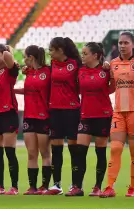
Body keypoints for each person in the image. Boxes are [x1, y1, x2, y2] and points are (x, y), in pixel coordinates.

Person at [100, 31, 134, 198]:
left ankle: (133, 187)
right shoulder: (113, 64)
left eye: (125, 43)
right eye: (120, 43)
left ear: (133, 44)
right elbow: (110, 87)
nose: (122, 46)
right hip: (118, 112)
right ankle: (109, 187)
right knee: (115, 148)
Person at [67, 42, 112, 196]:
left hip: (103, 115)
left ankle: (97, 186)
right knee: (80, 152)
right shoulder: (80, 71)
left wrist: (109, 69)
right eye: (82, 53)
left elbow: (113, 87)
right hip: (85, 115)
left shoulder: (106, 71)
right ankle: (77, 187)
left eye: (85, 53)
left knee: (100, 152)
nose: (82, 56)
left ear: (95, 55)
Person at [43, 37, 82, 196]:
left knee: (74, 149)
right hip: (55, 110)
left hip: (72, 110)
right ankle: (57, 184)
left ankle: (75, 184)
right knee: (56, 149)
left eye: (52, 50)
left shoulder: (75, 64)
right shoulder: (51, 65)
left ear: (60, 50)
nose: (50, 52)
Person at [15, 45, 51, 195]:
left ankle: (45, 186)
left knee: (45, 153)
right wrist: (12, 90)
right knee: (31, 153)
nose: (23, 60)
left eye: (25, 56)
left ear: (31, 58)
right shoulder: (28, 72)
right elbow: (29, 91)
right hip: (29, 116)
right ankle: (32, 187)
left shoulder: (48, 72)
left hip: (44, 117)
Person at [0, 44, 20, 195]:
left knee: (10, 152)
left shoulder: (10, 70)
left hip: (8, 113)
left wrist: (6, 51)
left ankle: (14, 186)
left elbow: (8, 57)